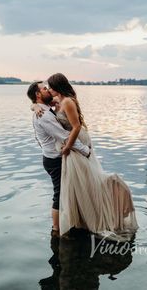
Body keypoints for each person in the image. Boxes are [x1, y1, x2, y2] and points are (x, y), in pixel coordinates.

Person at [34, 73, 139, 240]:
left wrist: (68, 147)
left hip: (76, 141)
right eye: (46, 88)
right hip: (71, 144)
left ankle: (111, 199)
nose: (49, 89)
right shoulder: (57, 101)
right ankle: (82, 218)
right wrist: (34, 106)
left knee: (88, 180)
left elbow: (76, 126)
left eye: (50, 87)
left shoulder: (67, 101)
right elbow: (43, 108)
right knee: (79, 183)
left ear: (58, 87)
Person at [27, 81, 90, 235]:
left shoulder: (45, 109)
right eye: (44, 89)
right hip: (54, 160)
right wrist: (85, 151)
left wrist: (33, 105)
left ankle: (73, 222)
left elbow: (60, 101)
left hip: (56, 157)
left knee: (66, 192)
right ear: (38, 94)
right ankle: (56, 229)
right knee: (59, 193)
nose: (48, 90)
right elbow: (63, 137)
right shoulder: (44, 116)